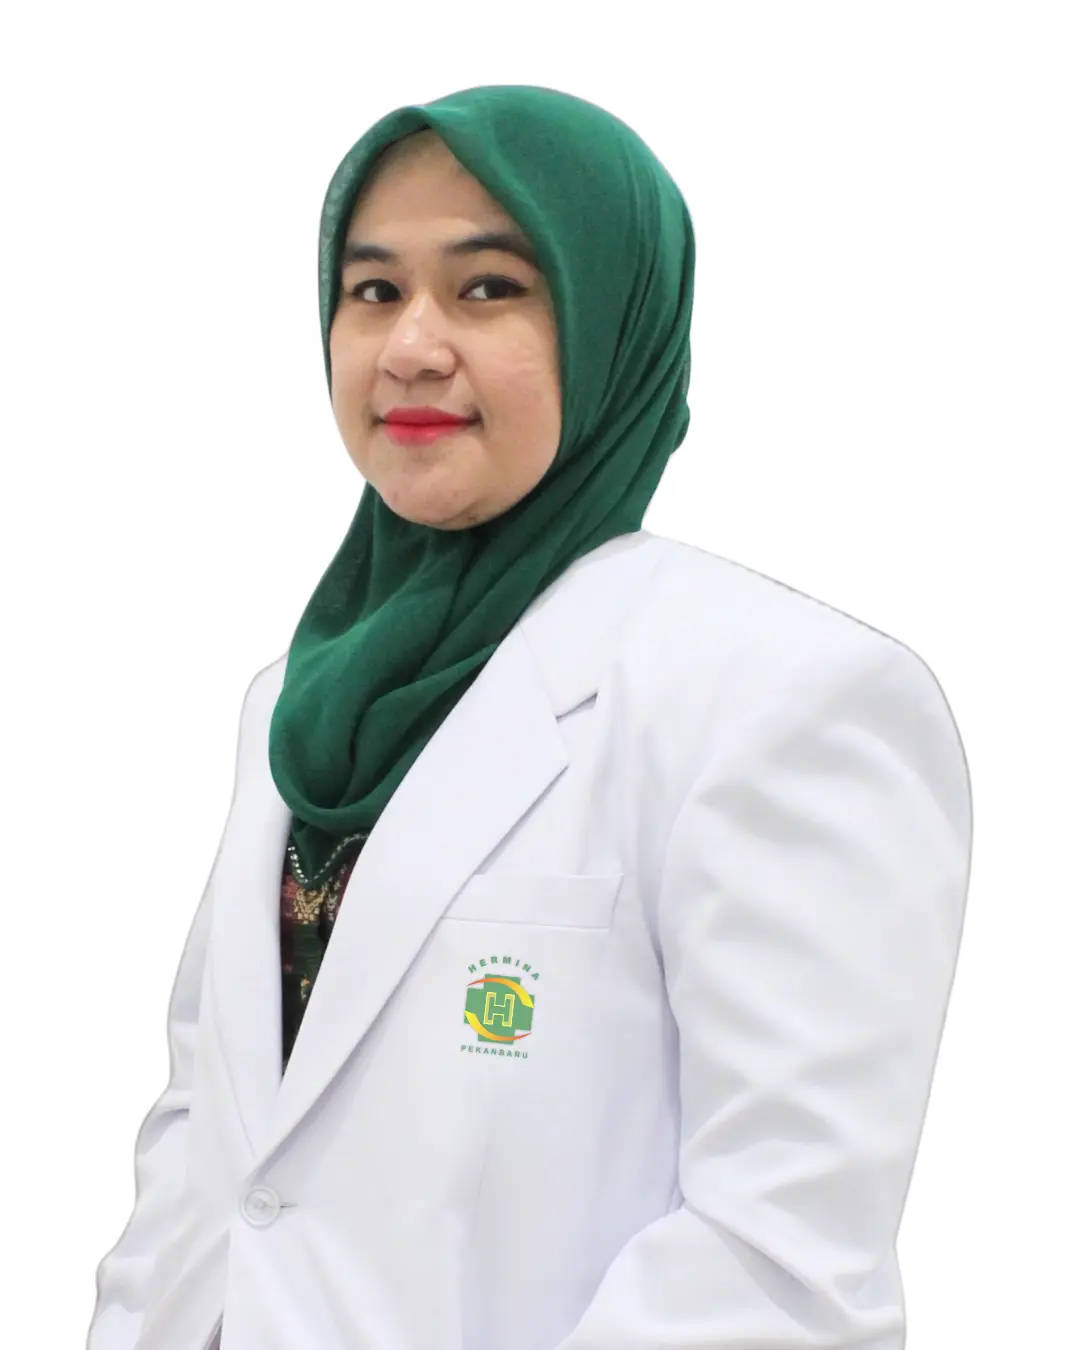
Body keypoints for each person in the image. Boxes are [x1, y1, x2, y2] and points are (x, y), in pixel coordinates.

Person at [85, 84, 973, 1350]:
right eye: (373, 289)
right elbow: (208, 1145)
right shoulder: (294, 704)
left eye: (489, 287)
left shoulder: (784, 698)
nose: (410, 346)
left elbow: (780, 1268)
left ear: (615, 325)